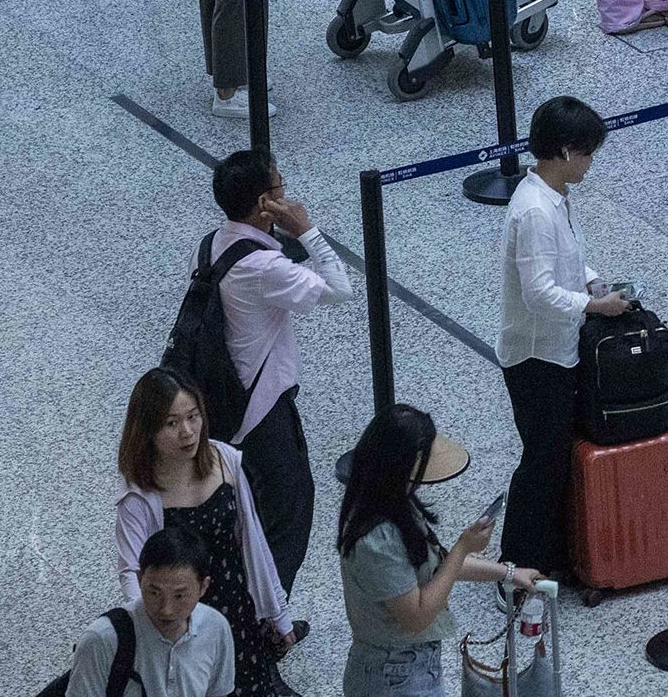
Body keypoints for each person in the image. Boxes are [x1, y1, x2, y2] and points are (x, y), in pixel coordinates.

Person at [499, 96, 637, 576]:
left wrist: (593, 281)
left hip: (555, 348)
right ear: (562, 151)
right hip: (538, 357)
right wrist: (595, 305)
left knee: (554, 459)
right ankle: (518, 565)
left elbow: (566, 263)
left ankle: (550, 555)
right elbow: (539, 294)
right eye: (587, 153)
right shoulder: (536, 211)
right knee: (541, 462)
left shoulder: (551, 198)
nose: (590, 162)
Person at [210, 148, 358, 593]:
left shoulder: (215, 243)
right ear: (264, 204)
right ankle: (266, 623)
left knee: (251, 511)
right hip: (261, 409)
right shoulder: (263, 267)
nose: (286, 193)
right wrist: (307, 230)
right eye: (280, 187)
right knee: (289, 511)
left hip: (225, 395)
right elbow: (339, 288)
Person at [115, 367, 299, 697]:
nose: (187, 432)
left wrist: (277, 614)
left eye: (193, 417)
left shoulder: (224, 459)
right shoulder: (139, 496)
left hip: (237, 611)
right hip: (184, 621)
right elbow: (132, 570)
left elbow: (252, 541)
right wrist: (158, 628)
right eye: (171, 423)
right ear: (148, 430)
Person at [336, 405, 539, 697]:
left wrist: (509, 572)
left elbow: (437, 565)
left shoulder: (395, 504)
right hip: (392, 676)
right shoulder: (376, 540)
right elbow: (417, 616)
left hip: (410, 666)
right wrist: (462, 547)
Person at [68, 527, 234, 697]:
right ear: (140, 579)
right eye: (154, 593)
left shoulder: (216, 627)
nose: (166, 609)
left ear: (203, 587)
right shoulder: (102, 639)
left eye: (179, 595)